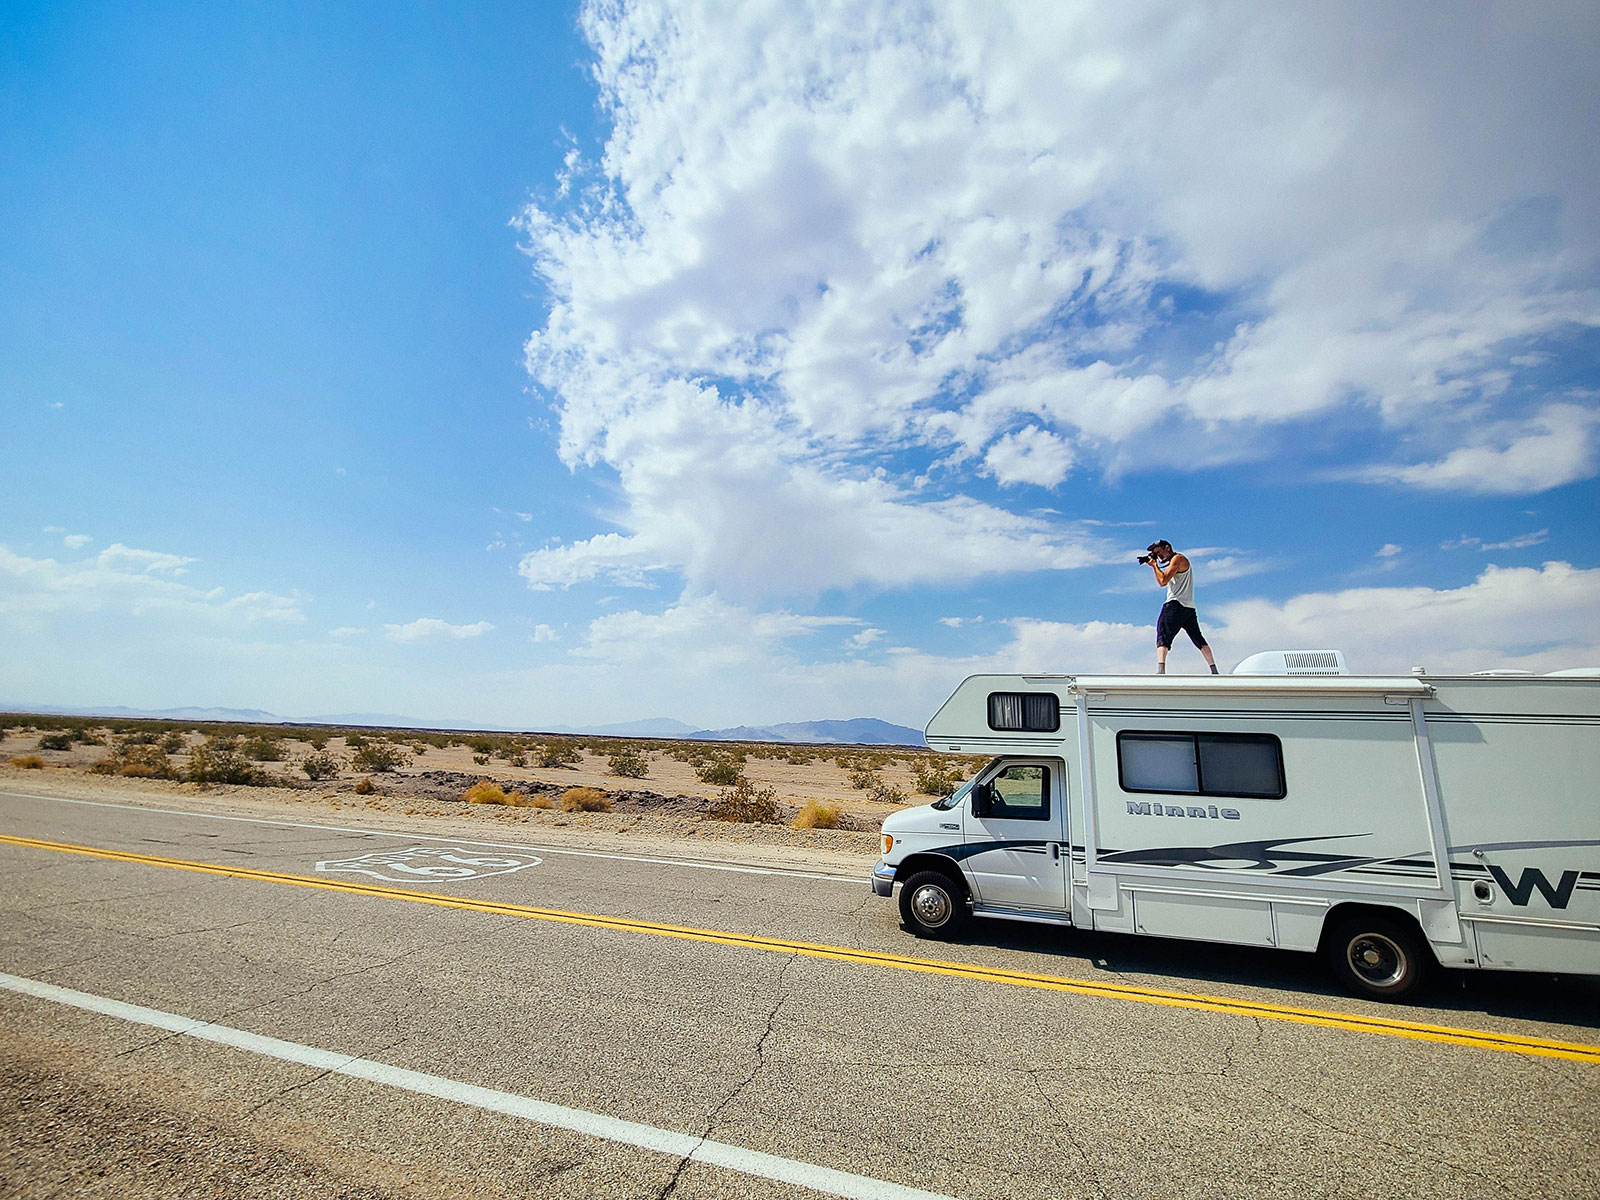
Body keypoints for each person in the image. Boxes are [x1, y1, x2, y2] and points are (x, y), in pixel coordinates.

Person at [1142, 539, 1218, 674]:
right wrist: (1155, 564)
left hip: (1175, 604)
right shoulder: (1176, 561)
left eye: (1159, 552)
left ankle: (1161, 670)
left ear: (1167, 548)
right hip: (1188, 607)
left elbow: (1163, 581)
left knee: (1162, 634)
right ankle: (1213, 670)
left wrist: (1154, 566)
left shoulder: (1178, 559)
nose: (1158, 556)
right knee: (1198, 638)